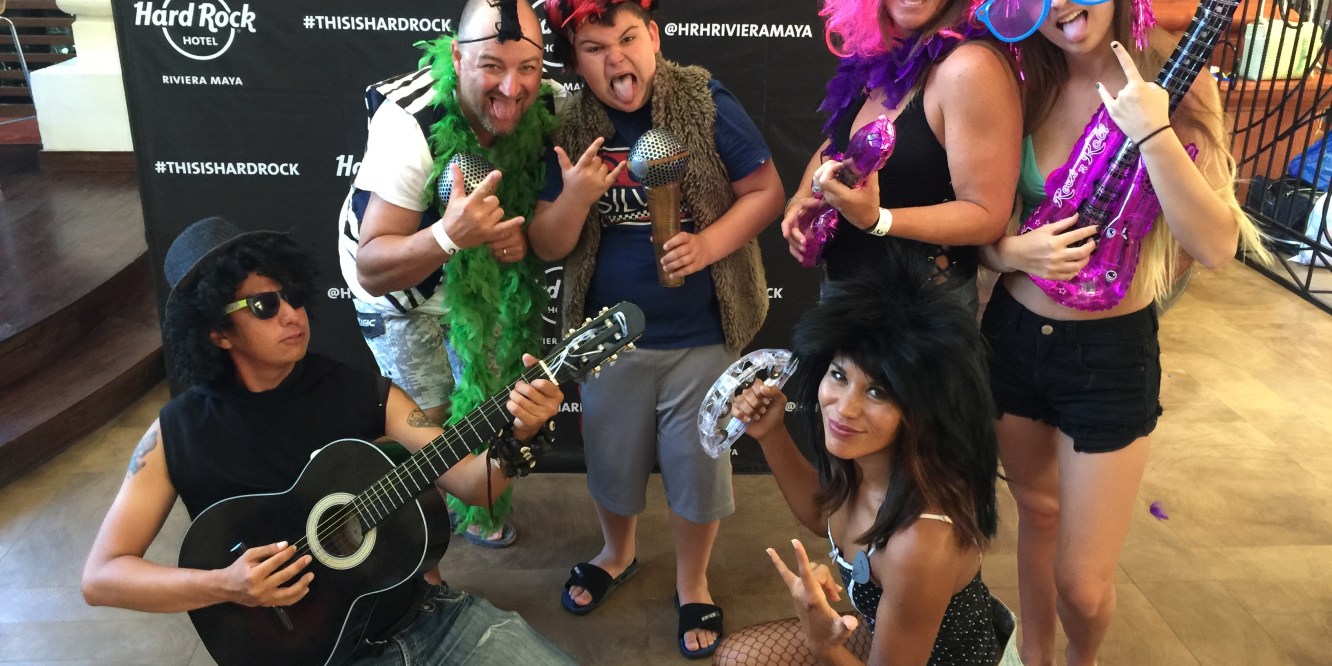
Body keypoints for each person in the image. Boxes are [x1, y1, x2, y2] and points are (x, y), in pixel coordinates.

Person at [82, 217, 572, 665]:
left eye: (293, 296)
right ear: (217, 333)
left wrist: (518, 437)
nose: (291, 315)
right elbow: (102, 577)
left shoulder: (364, 392)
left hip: (426, 624)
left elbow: (472, 485)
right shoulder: (176, 433)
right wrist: (227, 585)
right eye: (264, 305)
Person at [974, 0, 1274, 662]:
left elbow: (1216, 244)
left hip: (1109, 357)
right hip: (1013, 337)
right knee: (1037, 512)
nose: (1061, 5)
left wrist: (1154, 132)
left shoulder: (1178, 76)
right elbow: (981, 217)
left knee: (1083, 587)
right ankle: (1034, 658)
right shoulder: (1023, 76)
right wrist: (1008, 253)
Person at [526, 0, 784, 657]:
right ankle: (616, 554)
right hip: (607, 340)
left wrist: (707, 245)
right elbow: (549, 244)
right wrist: (576, 197)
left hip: (702, 333)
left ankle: (693, 581)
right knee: (611, 462)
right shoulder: (566, 121)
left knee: (698, 469)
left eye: (628, 39)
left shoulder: (703, 102)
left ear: (654, 38)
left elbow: (766, 192)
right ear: (574, 60)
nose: (616, 58)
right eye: (594, 48)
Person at [713, 251, 1019, 665]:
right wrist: (771, 434)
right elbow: (822, 516)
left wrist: (823, 644)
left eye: (878, 392)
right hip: (884, 636)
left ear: (920, 409)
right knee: (737, 657)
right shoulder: (863, 455)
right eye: (839, 375)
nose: (845, 408)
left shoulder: (920, 542)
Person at [337, 0, 561, 547]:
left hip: (479, 283)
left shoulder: (548, 104)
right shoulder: (408, 122)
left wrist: (517, 239)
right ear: (458, 58)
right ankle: (419, 550)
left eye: (527, 68)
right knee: (427, 423)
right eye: (491, 67)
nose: (511, 88)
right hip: (399, 292)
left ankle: (477, 504)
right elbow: (373, 268)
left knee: (488, 404)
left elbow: (540, 215)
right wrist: (449, 236)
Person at [781, 0, 1021, 313]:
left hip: (920, 316)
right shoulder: (881, 54)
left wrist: (877, 220)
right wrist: (801, 199)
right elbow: (840, 146)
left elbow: (987, 215)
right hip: (844, 300)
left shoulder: (970, 66)